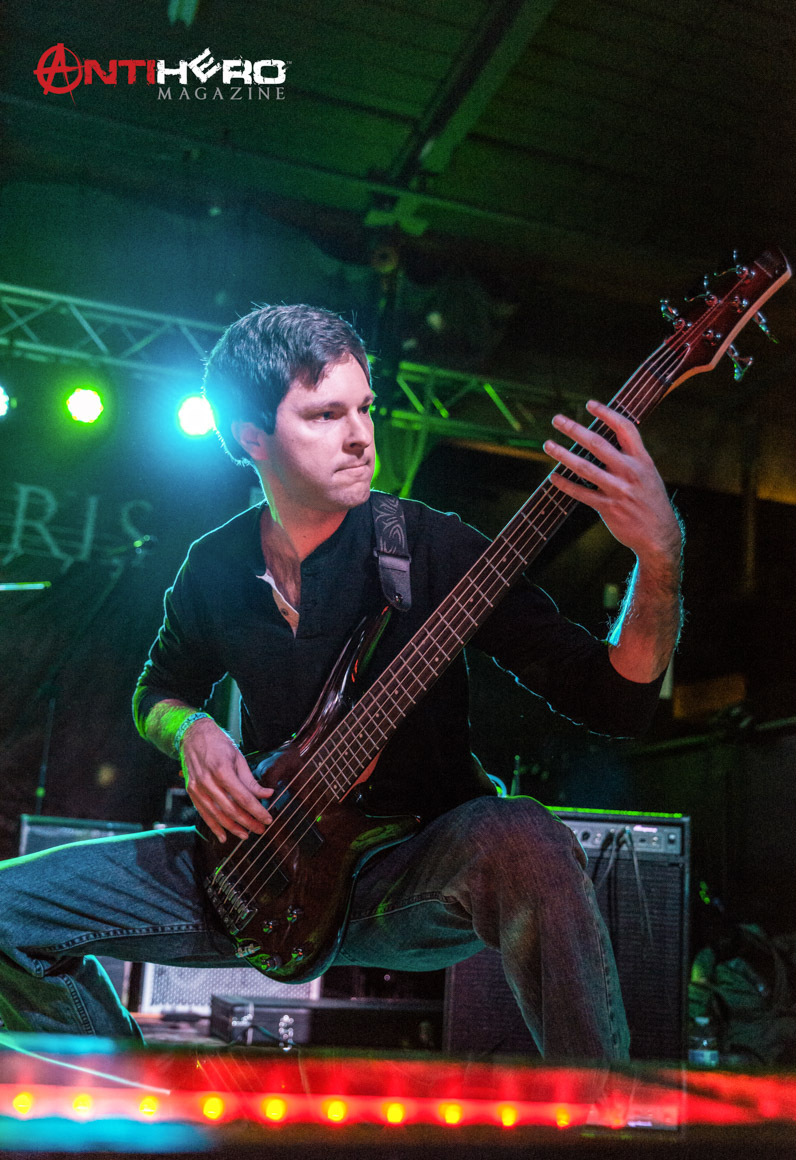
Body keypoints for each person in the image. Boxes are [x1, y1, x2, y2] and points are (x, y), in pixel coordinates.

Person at [0, 305, 682, 1057]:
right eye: (325, 415)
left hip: (409, 875)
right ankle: (127, 1103)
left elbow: (614, 701)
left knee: (524, 836)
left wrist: (659, 561)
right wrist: (189, 730)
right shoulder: (214, 566)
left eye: (364, 408)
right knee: (6, 914)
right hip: (260, 862)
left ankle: (599, 1124)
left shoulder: (432, 547)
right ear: (251, 437)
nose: (360, 436)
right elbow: (156, 690)